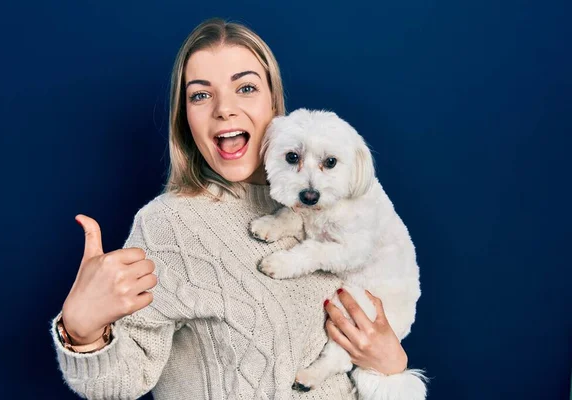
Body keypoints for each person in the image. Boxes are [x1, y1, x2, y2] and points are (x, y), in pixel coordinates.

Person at [50, 18, 425, 400]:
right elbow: (121, 381)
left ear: (275, 106)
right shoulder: (171, 224)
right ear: (185, 118)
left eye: (245, 88)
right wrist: (82, 332)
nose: (224, 110)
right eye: (200, 95)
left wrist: (391, 363)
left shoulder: (337, 198)